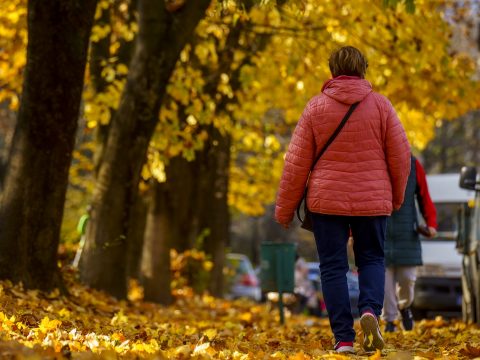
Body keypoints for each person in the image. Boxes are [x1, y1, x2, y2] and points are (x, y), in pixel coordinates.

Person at [275, 46, 411, 354]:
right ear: (364, 68)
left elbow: (296, 164)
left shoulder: (316, 107)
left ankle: (344, 339)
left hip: (327, 201)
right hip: (372, 199)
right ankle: (369, 311)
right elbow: (401, 156)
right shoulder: (381, 106)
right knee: (372, 259)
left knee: (333, 266)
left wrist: (284, 211)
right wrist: (397, 197)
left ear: (332, 69)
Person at [383, 155, 437, 332]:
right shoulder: (374, 160)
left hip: (407, 234)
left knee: (407, 279)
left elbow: (424, 196)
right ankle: (390, 321)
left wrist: (431, 223)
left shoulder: (414, 165)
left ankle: (405, 307)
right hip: (380, 233)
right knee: (383, 284)